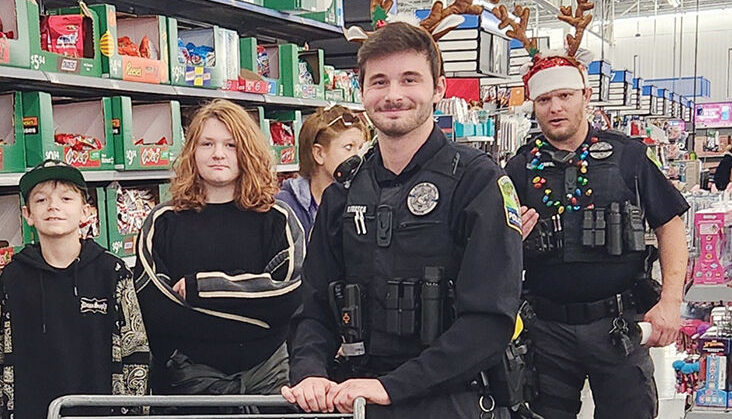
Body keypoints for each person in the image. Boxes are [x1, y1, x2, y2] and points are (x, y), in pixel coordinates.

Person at [281, 22, 523, 418]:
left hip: (451, 400)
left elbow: (489, 323)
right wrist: (309, 372)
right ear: (362, 92)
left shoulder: (478, 182)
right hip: (357, 398)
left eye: (409, 79)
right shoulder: (344, 189)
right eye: (379, 82)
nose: (393, 95)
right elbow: (314, 306)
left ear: (438, 88)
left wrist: (391, 388)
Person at [505, 36, 689, 418]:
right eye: (543, 100)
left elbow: (670, 227)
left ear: (585, 95)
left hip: (620, 328)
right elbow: (488, 246)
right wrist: (508, 241)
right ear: (533, 105)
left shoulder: (629, 157)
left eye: (565, 96)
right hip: (545, 331)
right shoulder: (520, 169)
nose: (555, 108)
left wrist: (670, 302)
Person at [133, 99, 304, 401]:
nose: (218, 154)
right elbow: (156, 308)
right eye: (207, 144)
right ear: (191, 152)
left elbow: (285, 295)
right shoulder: (162, 221)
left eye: (231, 145)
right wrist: (254, 318)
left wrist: (201, 288)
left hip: (269, 378)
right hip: (188, 379)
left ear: (248, 152)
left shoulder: (278, 219)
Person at [0, 159, 150, 419]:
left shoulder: (113, 273)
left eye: (66, 198)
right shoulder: (10, 279)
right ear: (27, 214)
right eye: (41, 200)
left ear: (87, 212)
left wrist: (132, 412)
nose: (53, 207)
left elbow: (136, 352)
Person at [276, 105, 370, 237]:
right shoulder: (285, 207)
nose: (358, 157)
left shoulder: (364, 201)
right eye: (349, 147)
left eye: (360, 148)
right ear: (319, 153)